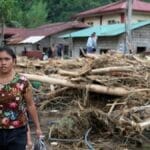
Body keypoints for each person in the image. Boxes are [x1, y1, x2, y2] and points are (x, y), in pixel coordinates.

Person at [0, 46, 43, 150]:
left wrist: (38, 128)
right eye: (0, 60)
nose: (3, 63)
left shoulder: (22, 82)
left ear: (14, 61)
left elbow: (30, 105)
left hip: (17, 132)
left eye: (7, 59)